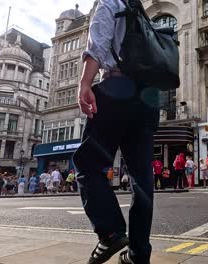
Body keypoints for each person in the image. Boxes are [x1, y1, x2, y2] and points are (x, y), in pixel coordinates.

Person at [72, 1, 162, 263]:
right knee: (142, 179)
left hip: (117, 88)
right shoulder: (142, 14)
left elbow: (98, 43)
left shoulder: (110, 3)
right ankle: (138, 255)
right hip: (147, 100)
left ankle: (110, 232)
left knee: (87, 164)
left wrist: (85, 83)